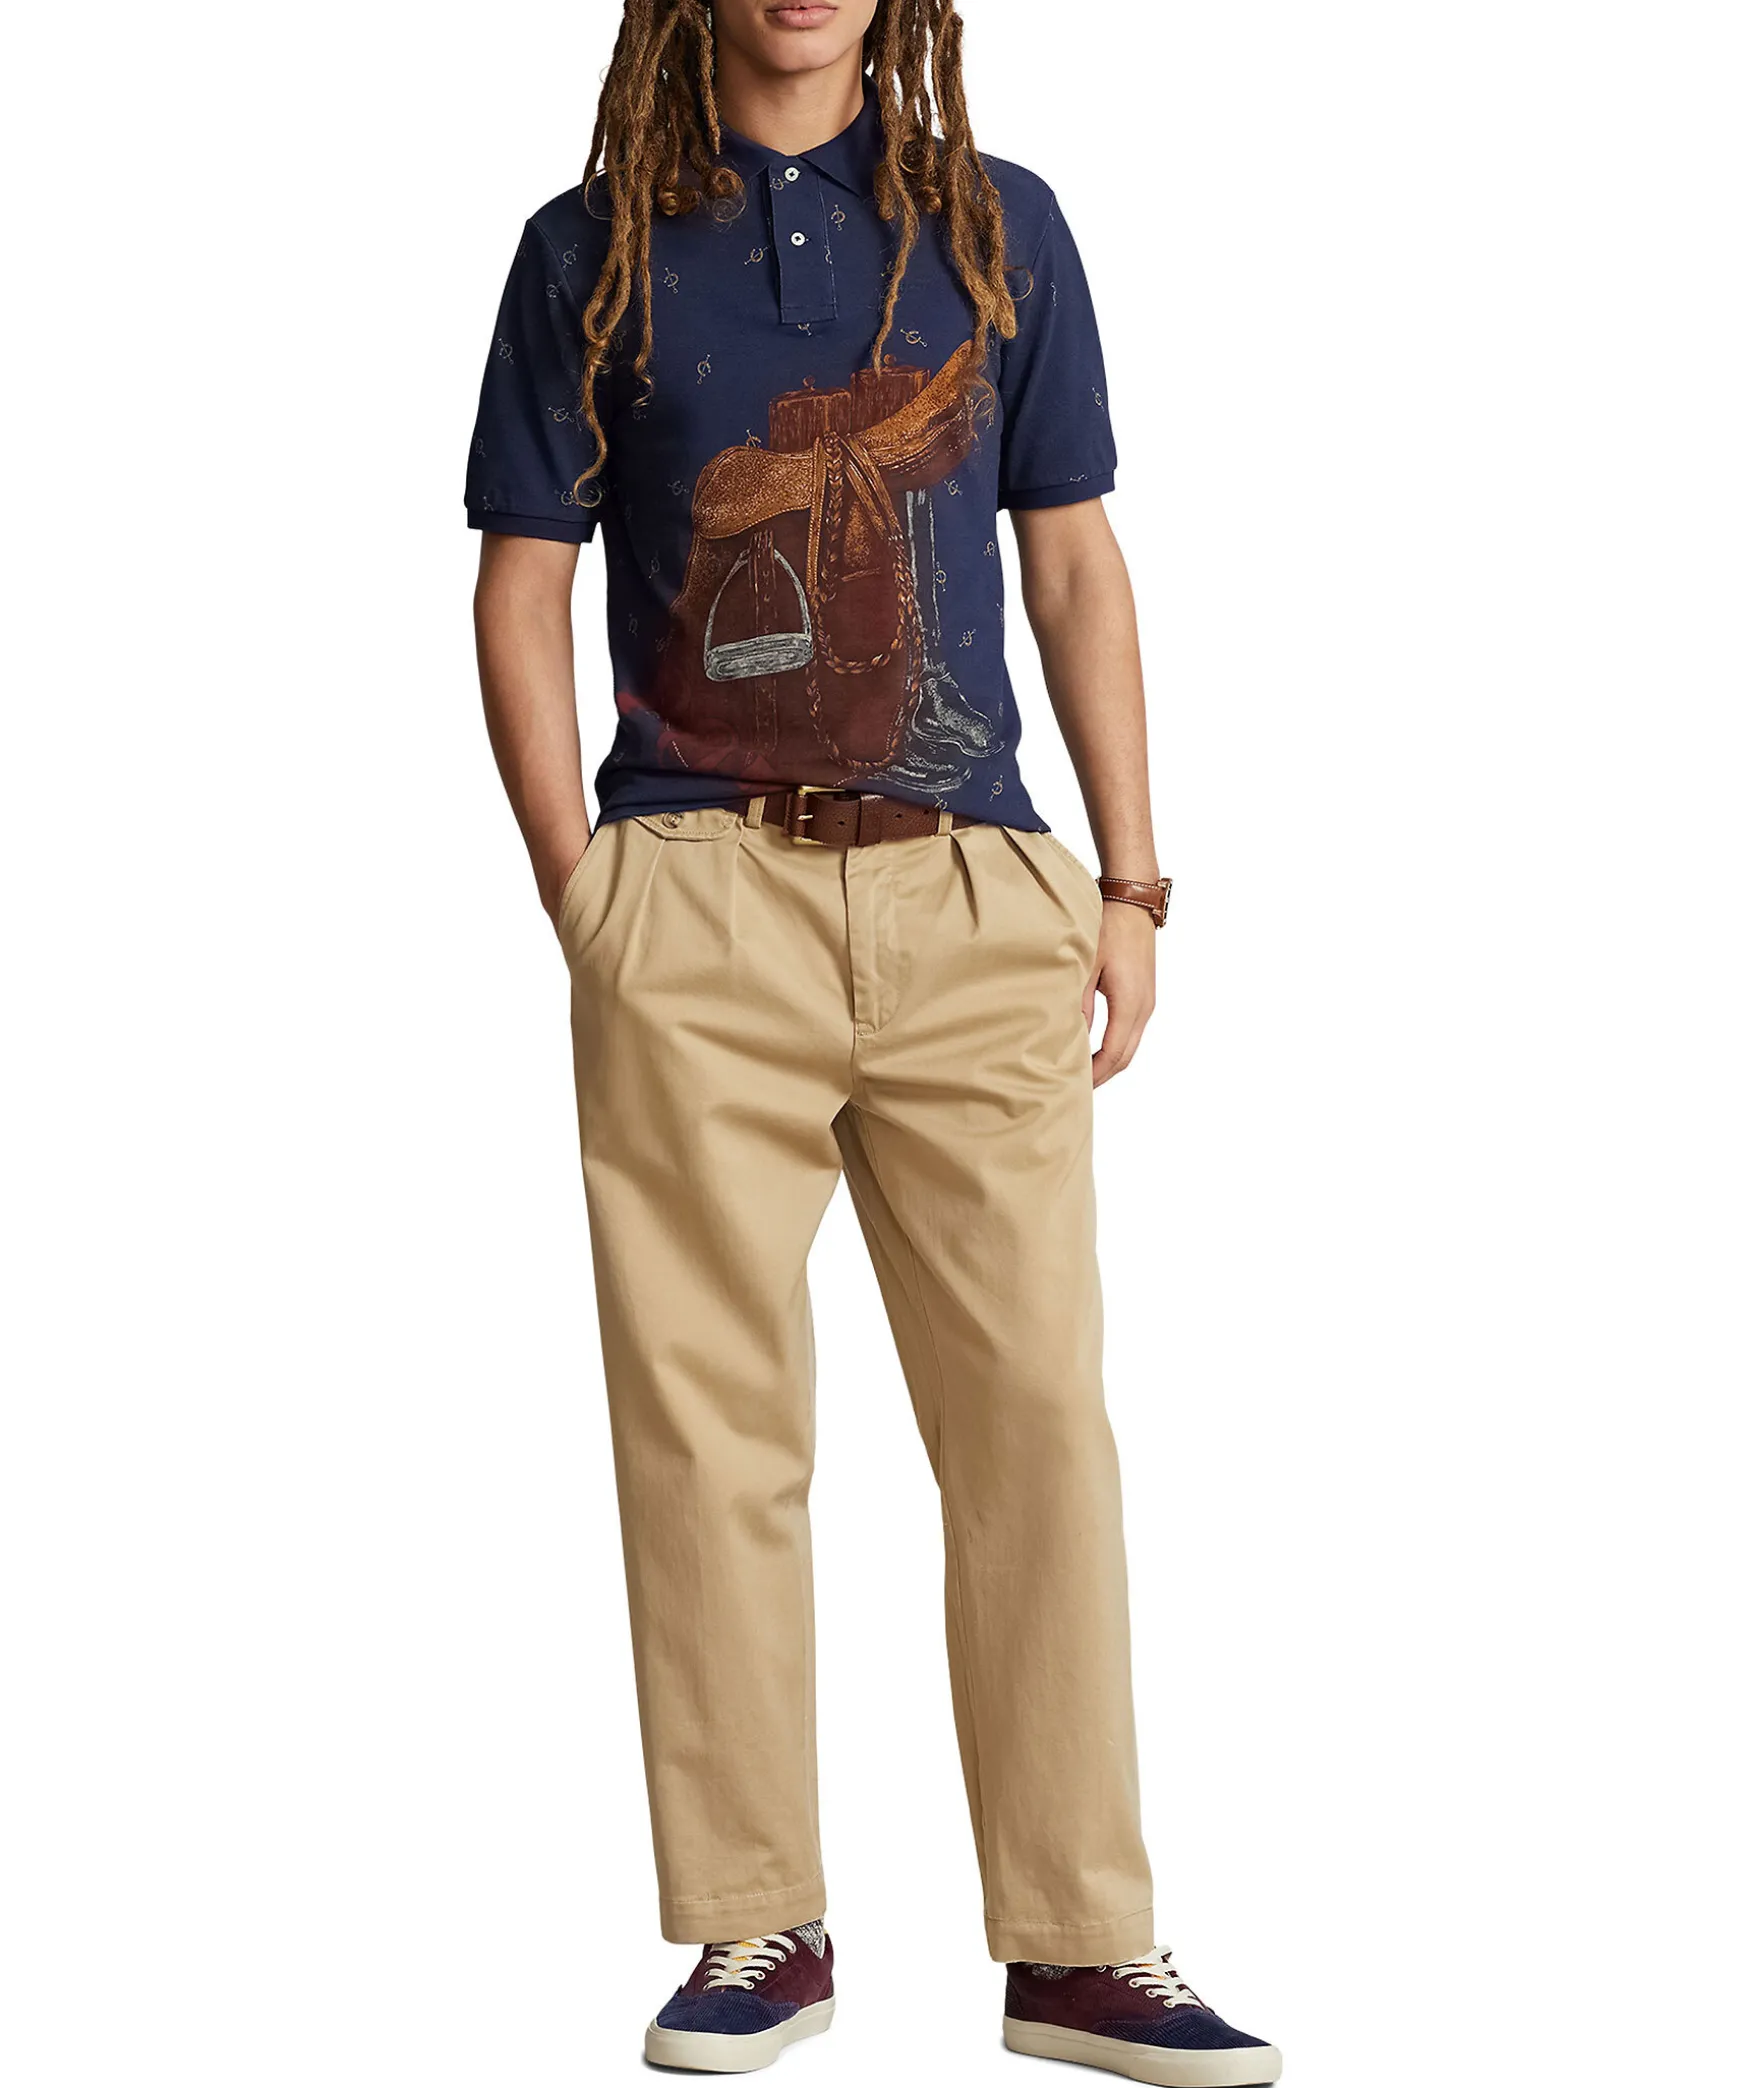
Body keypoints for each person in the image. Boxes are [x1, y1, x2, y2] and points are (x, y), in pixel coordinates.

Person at [467, 2, 1279, 2079]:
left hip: (967, 888)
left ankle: (1081, 1942)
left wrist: (1130, 884)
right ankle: (757, 1922)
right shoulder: (591, 253)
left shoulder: (999, 231)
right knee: (709, 1431)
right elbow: (521, 579)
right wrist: (585, 895)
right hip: (694, 897)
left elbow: (1073, 560)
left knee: (1037, 1421)